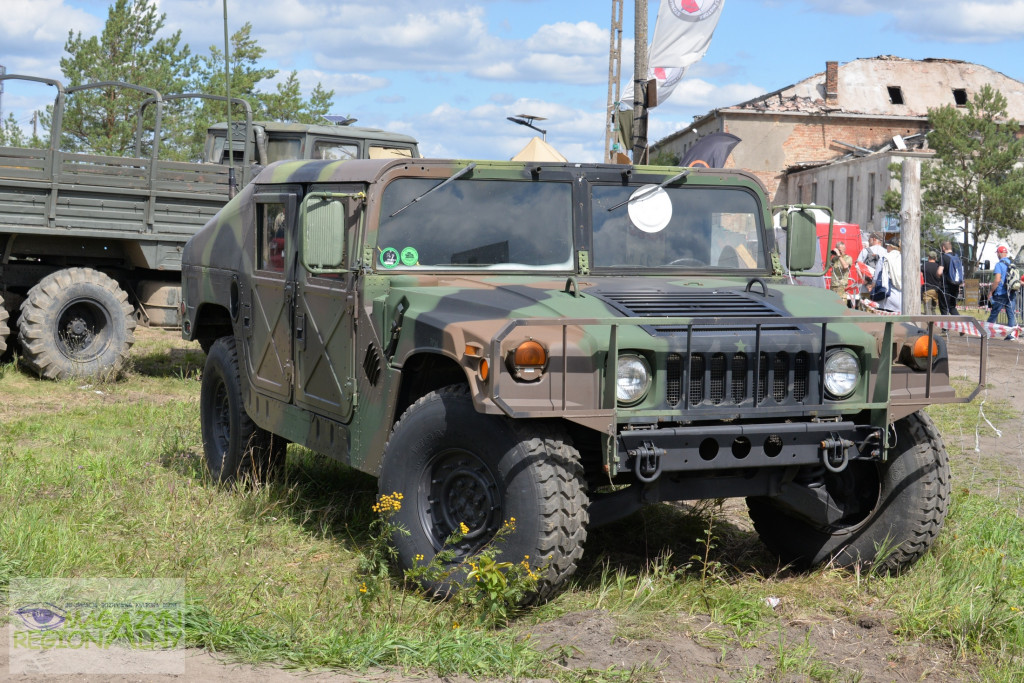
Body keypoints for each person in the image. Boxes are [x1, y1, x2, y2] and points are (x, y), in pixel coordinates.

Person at [987, 244, 1017, 339]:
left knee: (994, 313)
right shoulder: (1012, 265)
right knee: (1011, 314)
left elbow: (997, 280)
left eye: (997, 253)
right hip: (1011, 292)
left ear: (999, 253)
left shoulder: (999, 265)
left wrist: (991, 291)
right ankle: (1010, 335)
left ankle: (986, 333)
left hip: (1001, 293)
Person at [878, 236, 903, 313]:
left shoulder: (884, 258)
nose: (886, 247)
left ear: (891, 246)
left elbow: (876, 277)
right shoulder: (905, 259)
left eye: (887, 245)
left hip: (887, 298)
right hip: (903, 298)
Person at [938, 241, 960, 316]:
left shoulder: (943, 257)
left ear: (943, 248)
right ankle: (962, 324)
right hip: (955, 286)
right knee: (952, 307)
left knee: (944, 308)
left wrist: (937, 274)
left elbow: (940, 272)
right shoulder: (957, 257)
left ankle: (945, 327)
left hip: (945, 287)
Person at [923, 250, 942, 315]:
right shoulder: (938, 267)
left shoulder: (924, 266)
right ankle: (933, 323)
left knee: (927, 309)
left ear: (928, 257)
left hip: (927, 290)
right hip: (936, 290)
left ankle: (928, 323)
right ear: (936, 258)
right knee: (933, 309)